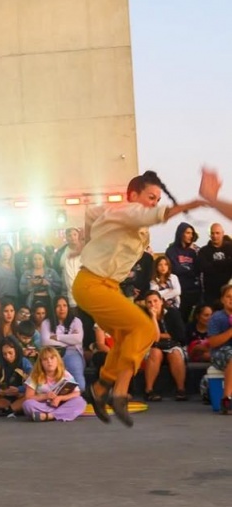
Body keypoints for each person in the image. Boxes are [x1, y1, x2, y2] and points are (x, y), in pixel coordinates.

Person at [72, 170, 203, 426]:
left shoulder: (128, 221)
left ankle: (100, 391)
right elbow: (155, 214)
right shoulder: (126, 210)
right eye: (150, 197)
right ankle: (115, 389)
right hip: (92, 285)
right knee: (144, 328)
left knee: (127, 335)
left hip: (107, 287)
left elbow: (90, 213)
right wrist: (192, 204)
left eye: (156, 198)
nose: (154, 203)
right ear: (133, 196)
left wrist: (89, 240)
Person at [142, 290, 187, 401]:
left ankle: (181, 390)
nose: (153, 304)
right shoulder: (143, 316)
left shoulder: (172, 313)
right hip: (153, 347)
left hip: (172, 345)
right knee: (155, 353)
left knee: (175, 353)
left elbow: (179, 335)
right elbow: (152, 338)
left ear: (162, 301)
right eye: (149, 302)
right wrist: (153, 317)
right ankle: (149, 390)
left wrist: (157, 335)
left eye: (155, 301)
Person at [21, 347, 87, 422]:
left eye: (52, 358)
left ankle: (49, 416)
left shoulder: (65, 374)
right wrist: (45, 396)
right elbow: (28, 397)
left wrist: (60, 398)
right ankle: (59, 414)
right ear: (41, 362)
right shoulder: (35, 376)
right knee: (27, 404)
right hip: (43, 405)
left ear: (57, 360)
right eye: (45, 359)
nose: (49, 362)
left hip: (61, 404)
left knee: (80, 402)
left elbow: (77, 393)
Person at [40, 297, 86, 390]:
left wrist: (57, 337)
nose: (62, 309)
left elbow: (78, 339)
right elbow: (45, 341)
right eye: (58, 306)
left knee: (79, 384)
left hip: (73, 352)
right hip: (53, 353)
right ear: (53, 308)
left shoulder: (76, 321)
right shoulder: (46, 322)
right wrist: (69, 341)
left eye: (64, 305)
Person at [207, 284, 232, 414]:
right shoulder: (217, 317)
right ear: (222, 299)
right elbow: (212, 342)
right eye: (228, 296)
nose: (231, 299)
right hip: (220, 352)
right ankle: (226, 399)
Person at [198, 223, 232, 306]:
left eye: (217, 233)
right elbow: (206, 268)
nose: (215, 236)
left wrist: (214, 264)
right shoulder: (203, 251)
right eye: (212, 233)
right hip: (211, 294)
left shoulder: (230, 248)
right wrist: (227, 262)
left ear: (223, 233)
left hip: (229, 293)